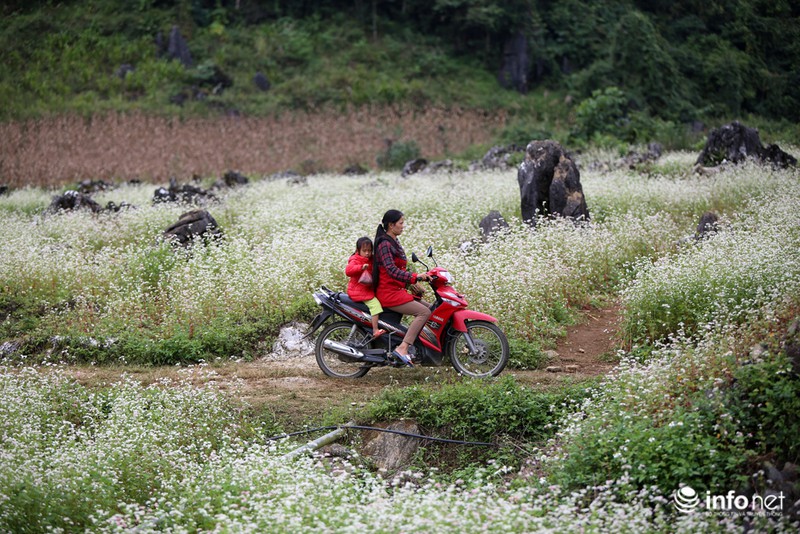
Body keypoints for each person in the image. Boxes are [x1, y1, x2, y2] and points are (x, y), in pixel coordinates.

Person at [372, 209, 431, 366]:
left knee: (433, 309)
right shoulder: (384, 244)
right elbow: (391, 270)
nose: (403, 226)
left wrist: (412, 283)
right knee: (424, 312)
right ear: (391, 225)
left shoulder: (393, 241)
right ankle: (403, 348)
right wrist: (415, 277)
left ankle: (421, 348)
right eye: (401, 223)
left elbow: (400, 270)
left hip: (397, 290)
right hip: (388, 293)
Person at [345, 236, 386, 338]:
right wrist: (360, 268)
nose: (367, 253)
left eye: (369, 250)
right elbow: (348, 271)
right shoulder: (355, 259)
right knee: (375, 306)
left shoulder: (371, 259)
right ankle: (375, 330)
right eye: (364, 251)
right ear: (358, 250)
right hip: (359, 291)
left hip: (367, 289)